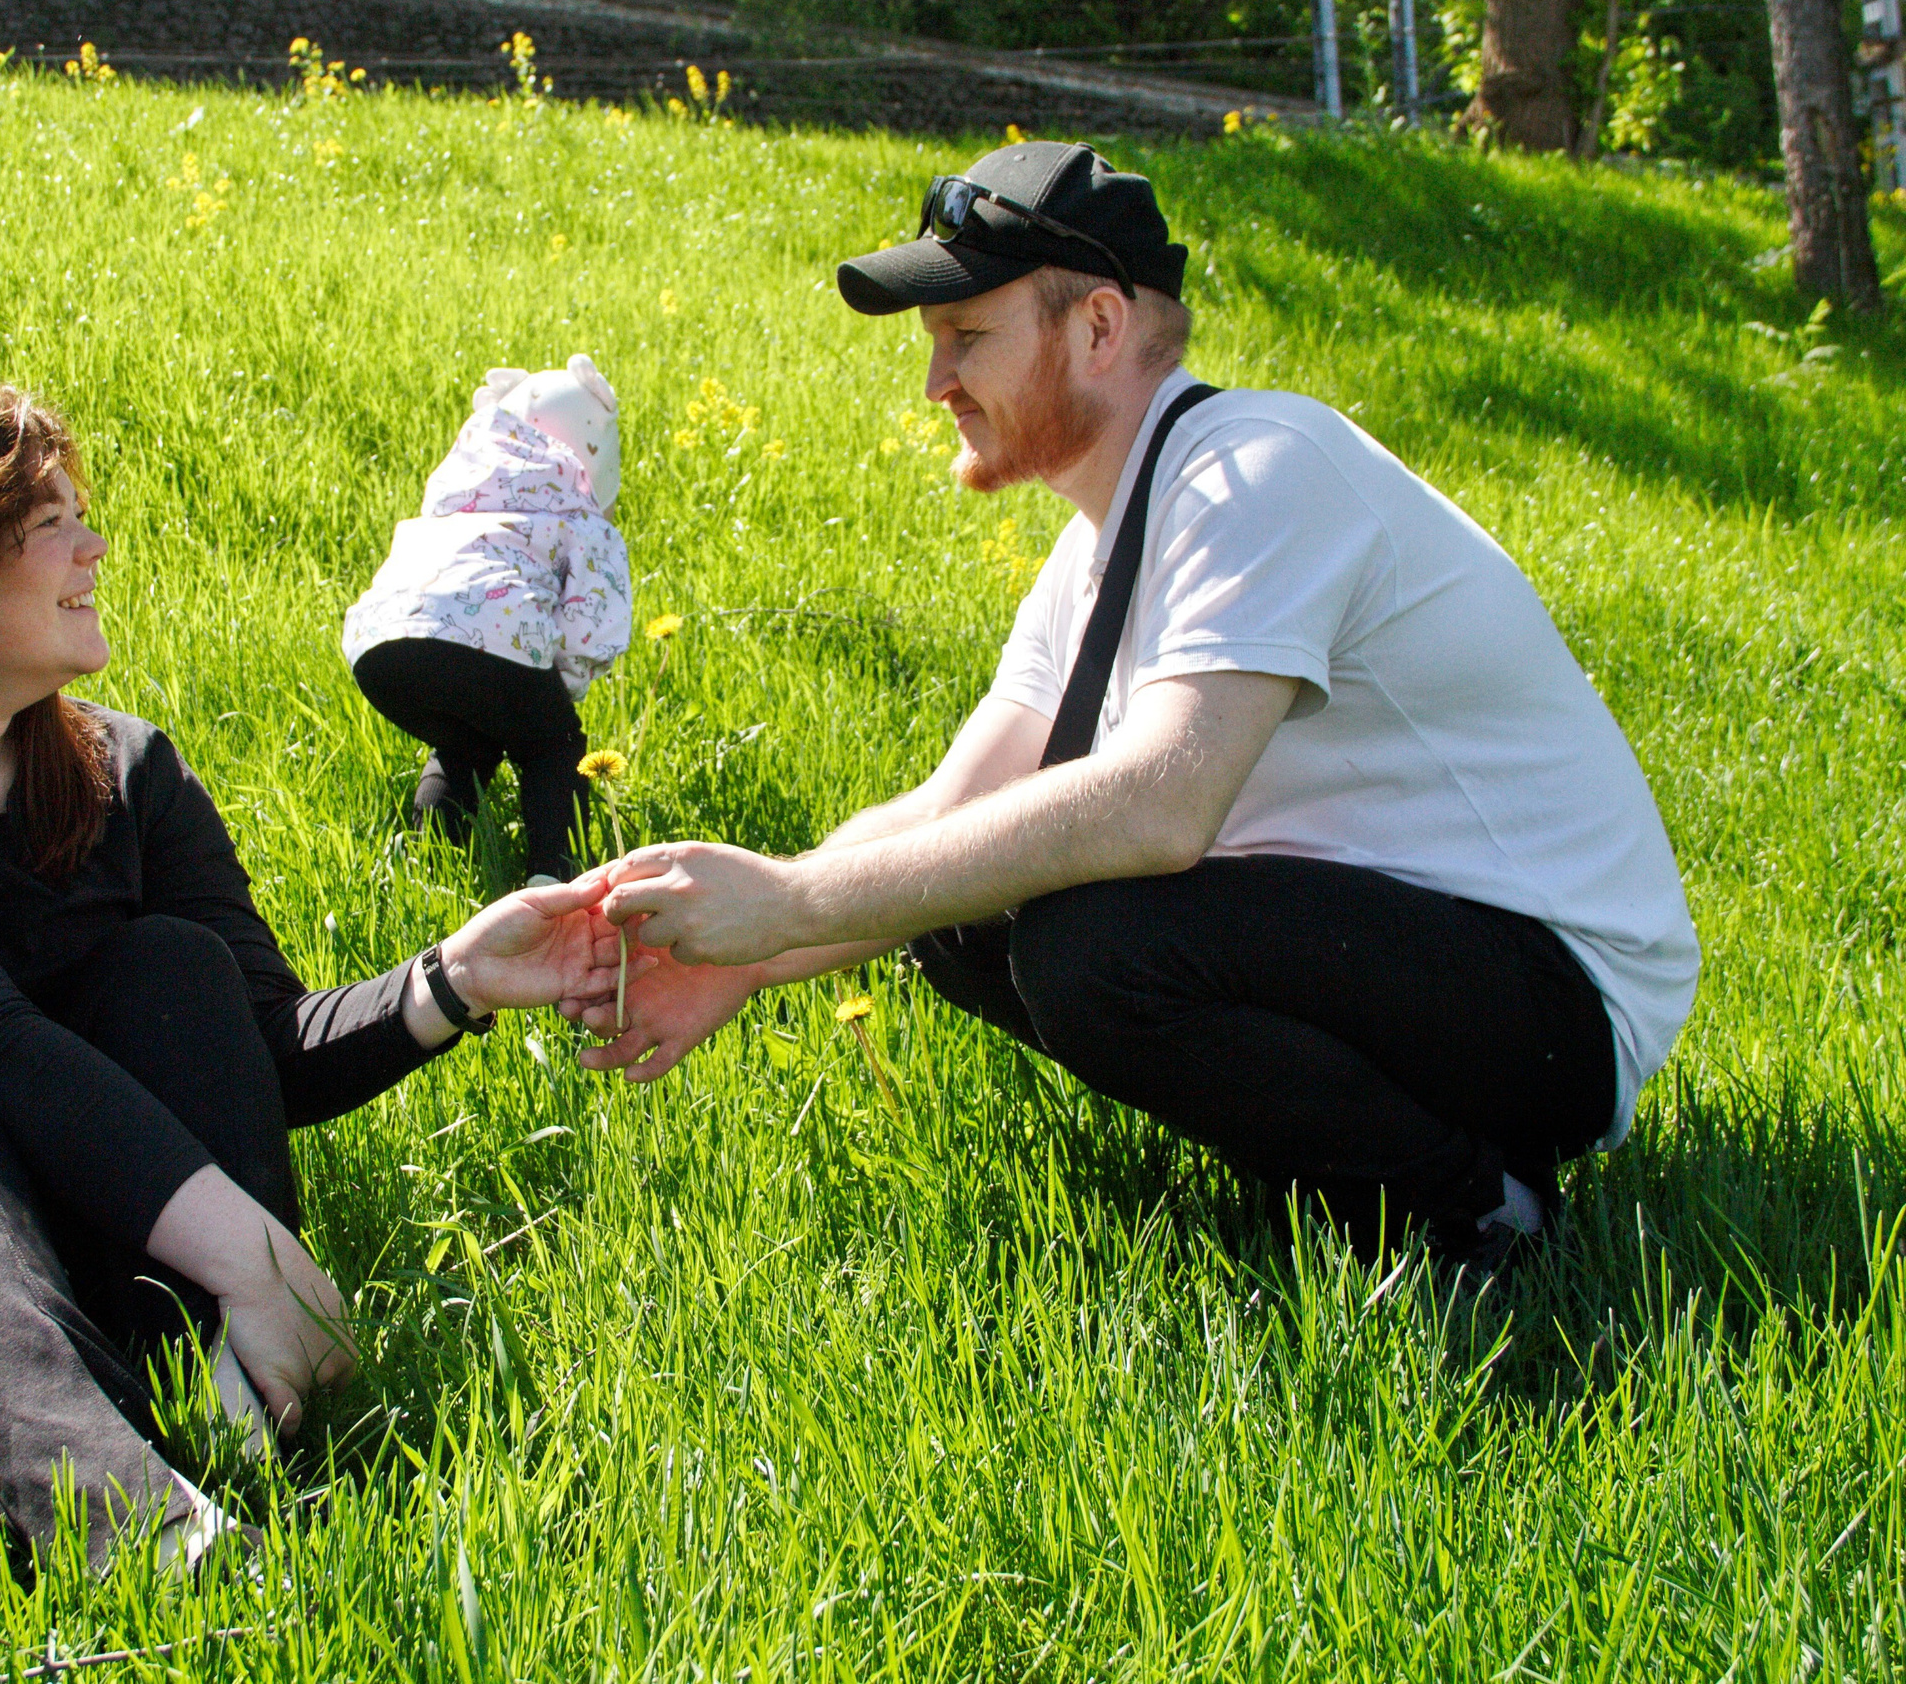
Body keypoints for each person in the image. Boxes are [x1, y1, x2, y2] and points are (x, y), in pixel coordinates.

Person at [582, 140, 1700, 1263]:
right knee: (959, 909)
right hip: (1398, 960)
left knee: (1093, 942)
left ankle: (1471, 1210)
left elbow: (1160, 810)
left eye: (967, 337)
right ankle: (1349, 1168)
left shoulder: (1259, 467)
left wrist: (795, 901)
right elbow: (952, 808)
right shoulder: (1098, 548)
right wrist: (742, 950)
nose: (935, 384)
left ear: (1100, 329)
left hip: (1560, 1002)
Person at [0, 380, 625, 1574]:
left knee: (170, 968)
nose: (94, 548)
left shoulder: (121, 770)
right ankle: (147, 1541)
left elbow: (257, 1046)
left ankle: (234, 1405)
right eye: (48, 524)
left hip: (14, 1220)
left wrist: (456, 980)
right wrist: (249, 1252)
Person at [344, 354, 630, 886]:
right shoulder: (576, 516)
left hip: (380, 650)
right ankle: (554, 881)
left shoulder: (459, 496)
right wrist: (559, 689)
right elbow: (593, 624)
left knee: (467, 743)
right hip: (494, 644)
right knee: (551, 745)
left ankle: (427, 867)